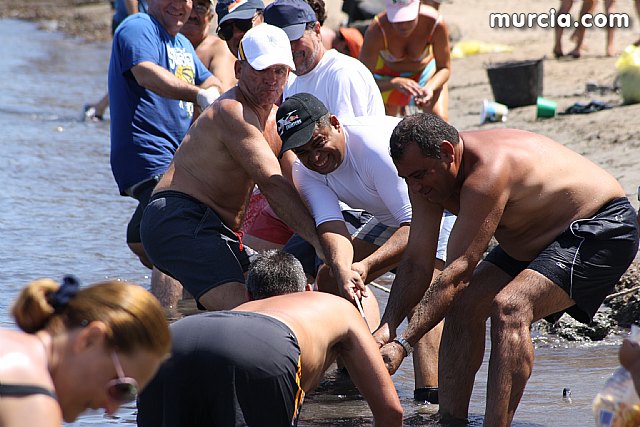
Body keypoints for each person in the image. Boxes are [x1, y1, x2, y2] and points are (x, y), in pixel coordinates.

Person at [373, 113, 639, 426]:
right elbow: (417, 262)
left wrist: (403, 344)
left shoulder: (487, 172)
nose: (414, 188)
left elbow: (458, 272)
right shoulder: (426, 182)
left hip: (601, 226)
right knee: (463, 305)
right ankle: (450, 421)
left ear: (447, 152)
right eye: (406, 178)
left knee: (510, 307)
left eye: (419, 176)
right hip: (532, 237)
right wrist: (386, 328)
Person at [277, 93, 455, 402]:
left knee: (420, 297)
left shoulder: (373, 148)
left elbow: (414, 227)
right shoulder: (305, 171)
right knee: (330, 277)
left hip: (441, 206)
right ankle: (352, 372)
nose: (315, 158)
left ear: (335, 123)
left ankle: (428, 401)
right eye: (303, 152)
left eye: (318, 144)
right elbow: (331, 227)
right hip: (392, 217)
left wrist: (366, 265)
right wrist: (344, 269)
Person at [140, 24, 323, 312]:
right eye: (262, 70)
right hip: (177, 217)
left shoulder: (277, 121)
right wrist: (320, 243)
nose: (271, 80)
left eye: (280, 71)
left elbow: (298, 183)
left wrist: (333, 230)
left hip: (217, 229)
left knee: (274, 294)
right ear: (239, 69)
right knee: (247, 310)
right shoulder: (231, 110)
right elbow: (273, 184)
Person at [137, 253, 403, 427]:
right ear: (307, 291)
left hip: (173, 338)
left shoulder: (241, 309)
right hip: (266, 344)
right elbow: (391, 412)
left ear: (249, 296)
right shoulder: (335, 305)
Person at [108, 0, 222, 313]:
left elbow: (207, 78)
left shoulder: (181, 42)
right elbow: (145, 73)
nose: (180, 5)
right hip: (149, 153)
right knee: (164, 236)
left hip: (176, 158)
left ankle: (187, 303)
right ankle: (169, 319)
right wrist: (197, 94)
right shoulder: (138, 27)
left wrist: (212, 88)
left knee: (146, 237)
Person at [0, 276, 170, 426]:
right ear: (90, 340)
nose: (111, 410)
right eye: (122, 388)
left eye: (129, 396)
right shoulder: (32, 402)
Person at [359, 0, 450, 119]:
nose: (403, 26)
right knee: (384, 123)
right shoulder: (377, 30)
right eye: (397, 19)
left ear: (419, 6)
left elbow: (444, 68)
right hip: (388, 77)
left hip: (424, 72)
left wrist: (430, 88)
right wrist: (394, 83)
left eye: (409, 19)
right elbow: (363, 81)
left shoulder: (434, 23)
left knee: (440, 119)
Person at [83, 0, 147, 121]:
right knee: (133, 73)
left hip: (137, 23)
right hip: (132, 25)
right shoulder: (136, 25)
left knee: (134, 74)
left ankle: (100, 107)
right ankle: (99, 108)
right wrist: (136, 25)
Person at [180, 0, 237, 93]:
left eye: (201, 7)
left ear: (211, 15)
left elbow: (223, 92)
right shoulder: (164, 43)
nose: (192, 15)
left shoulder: (219, 48)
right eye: (188, 5)